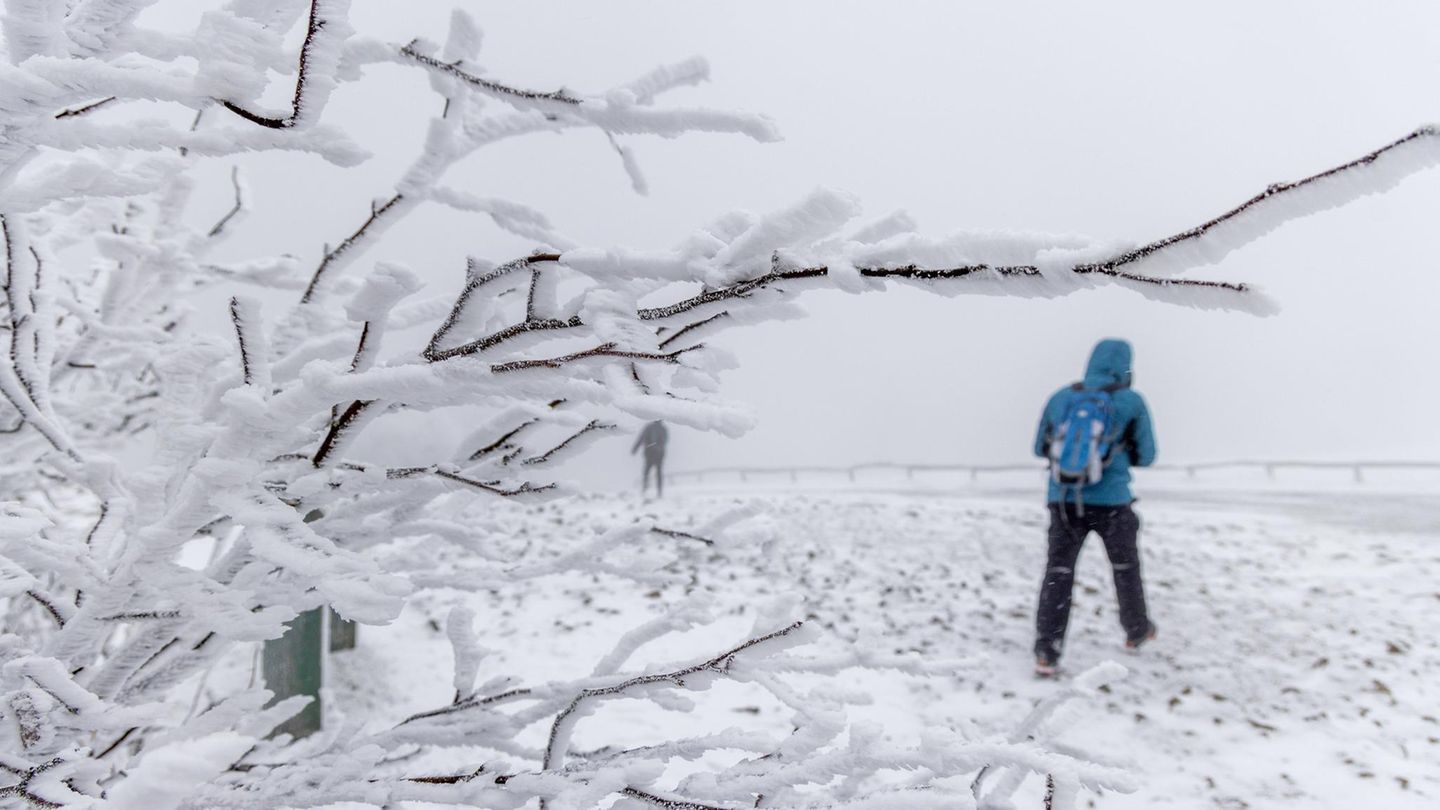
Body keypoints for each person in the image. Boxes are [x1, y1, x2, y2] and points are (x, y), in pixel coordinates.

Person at [1031, 338, 1157, 677]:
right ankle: (1136, 631)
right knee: (1125, 568)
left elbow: (1039, 448)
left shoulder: (1062, 398)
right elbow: (1147, 455)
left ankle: (1047, 652)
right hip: (1113, 502)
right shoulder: (1130, 401)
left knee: (1058, 572)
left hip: (1064, 500)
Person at [631, 420, 668, 497]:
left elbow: (641, 438)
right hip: (659, 453)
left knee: (647, 471)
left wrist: (635, 448)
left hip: (650, 453)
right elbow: (665, 441)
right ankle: (659, 491)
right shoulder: (663, 429)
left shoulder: (649, 427)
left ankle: (645, 489)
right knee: (658, 472)